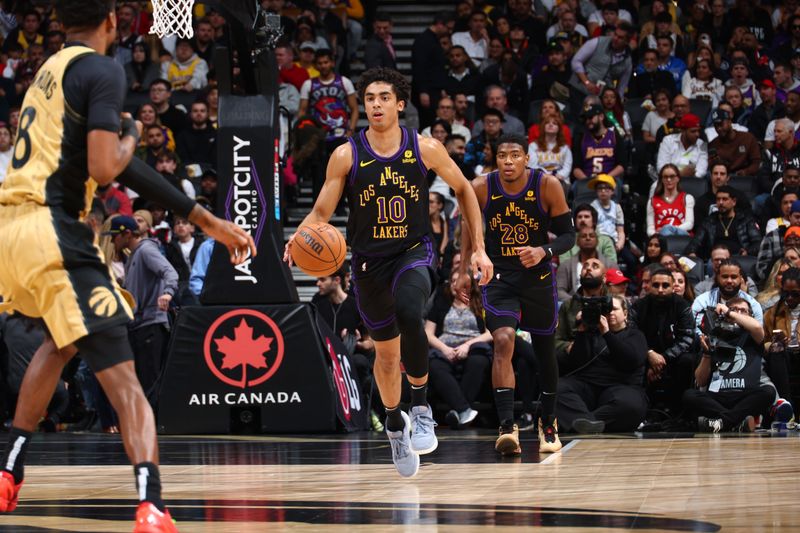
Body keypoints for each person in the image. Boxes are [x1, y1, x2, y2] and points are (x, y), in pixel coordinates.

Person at [0, 1, 255, 530]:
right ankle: (152, 504)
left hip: (12, 233)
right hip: (56, 230)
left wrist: (206, 220)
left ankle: (8, 472)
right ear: (113, 20)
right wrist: (133, 130)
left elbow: (126, 168)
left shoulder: (48, 71)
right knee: (125, 380)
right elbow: (107, 164)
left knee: (62, 341)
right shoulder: (103, 68)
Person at [285, 67, 493, 478]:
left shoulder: (426, 148)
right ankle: (396, 424)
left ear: (400, 104)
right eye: (369, 98)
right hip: (367, 264)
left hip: (412, 253)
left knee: (410, 312)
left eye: (384, 97)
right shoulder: (346, 154)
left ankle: (421, 405)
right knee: (385, 355)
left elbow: (466, 189)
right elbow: (322, 212)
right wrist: (302, 234)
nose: (376, 104)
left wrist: (480, 249)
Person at [459, 133, 575, 455]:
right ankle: (507, 425)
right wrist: (463, 270)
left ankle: (547, 422)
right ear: (495, 159)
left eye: (514, 155)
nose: (508, 161)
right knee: (503, 339)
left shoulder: (547, 185)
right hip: (498, 277)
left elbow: (568, 235)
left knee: (544, 352)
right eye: (502, 156)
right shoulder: (482, 186)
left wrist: (543, 250)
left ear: (527, 157)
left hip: (538, 278)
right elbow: (468, 226)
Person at [557, 295, 648, 433]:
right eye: (607, 310)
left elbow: (630, 360)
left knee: (632, 405)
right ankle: (587, 423)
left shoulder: (635, 335)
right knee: (556, 388)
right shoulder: (590, 334)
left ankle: (583, 422)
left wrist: (606, 333)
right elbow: (576, 363)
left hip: (620, 387)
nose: (610, 312)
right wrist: (581, 331)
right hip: (587, 387)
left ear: (625, 313)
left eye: (615, 309)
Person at [684, 298, 773, 433]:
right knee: (689, 395)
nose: (738, 313)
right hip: (718, 398)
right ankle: (737, 422)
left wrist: (730, 312)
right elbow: (701, 380)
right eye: (734, 309)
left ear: (750, 315)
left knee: (768, 392)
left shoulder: (754, 336)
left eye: (743, 311)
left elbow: (756, 326)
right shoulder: (714, 336)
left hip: (745, 397)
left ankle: (722, 422)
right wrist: (707, 354)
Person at [425, 271, 491, 429]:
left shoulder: (480, 303)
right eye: (453, 281)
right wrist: (444, 348)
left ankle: (459, 411)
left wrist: (468, 345)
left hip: (474, 348)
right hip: (445, 349)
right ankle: (464, 411)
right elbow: (428, 333)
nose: (456, 284)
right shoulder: (441, 302)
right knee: (434, 365)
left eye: (460, 280)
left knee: (479, 362)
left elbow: (490, 333)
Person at [629, 268, 696, 413]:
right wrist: (649, 354)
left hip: (672, 358)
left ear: (673, 287)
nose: (660, 290)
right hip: (644, 356)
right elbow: (631, 334)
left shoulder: (682, 306)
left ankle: (678, 411)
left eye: (665, 286)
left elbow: (687, 338)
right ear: (648, 286)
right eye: (656, 285)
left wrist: (662, 360)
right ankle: (639, 410)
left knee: (688, 361)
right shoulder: (638, 306)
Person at [685, 186, 761, 260]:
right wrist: (692, 253)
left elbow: (758, 243)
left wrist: (747, 252)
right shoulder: (709, 221)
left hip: (739, 258)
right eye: (718, 199)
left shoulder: (745, 220)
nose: (721, 202)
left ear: (734, 201)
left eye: (725, 199)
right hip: (716, 260)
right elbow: (695, 242)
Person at [647, 163, 695, 237]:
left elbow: (689, 224)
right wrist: (658, 234)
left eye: (672, 176)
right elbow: (650, 229)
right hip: (660, 239)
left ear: (678, 178)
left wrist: (670, 229)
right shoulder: (652, 201)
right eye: (665, 177)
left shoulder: (687, 198)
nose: (669, 179)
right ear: (662, 179)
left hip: (681, 237)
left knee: (666, 229)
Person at [656, 113, 708, 180]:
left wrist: (683, 177)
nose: (697, 134)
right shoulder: (668, 141)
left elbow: (702, 171)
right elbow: (661, 168)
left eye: (698, 130)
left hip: (692, 182)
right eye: (693, 131)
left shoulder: (702, 144)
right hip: (668, 181)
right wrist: (680, 174)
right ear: (683, 131)